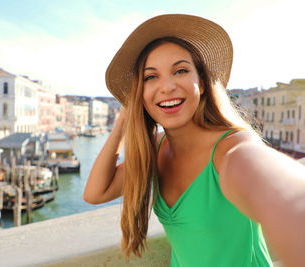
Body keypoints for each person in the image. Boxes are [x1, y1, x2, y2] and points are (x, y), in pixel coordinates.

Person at [83, 14, 305, 267]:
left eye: (180, 70)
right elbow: (95, 193)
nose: (166, 87)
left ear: (201, 82)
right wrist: (124, 119)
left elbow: (290, 199)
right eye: (150, 77)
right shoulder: (156, 149)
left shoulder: (231, 147)